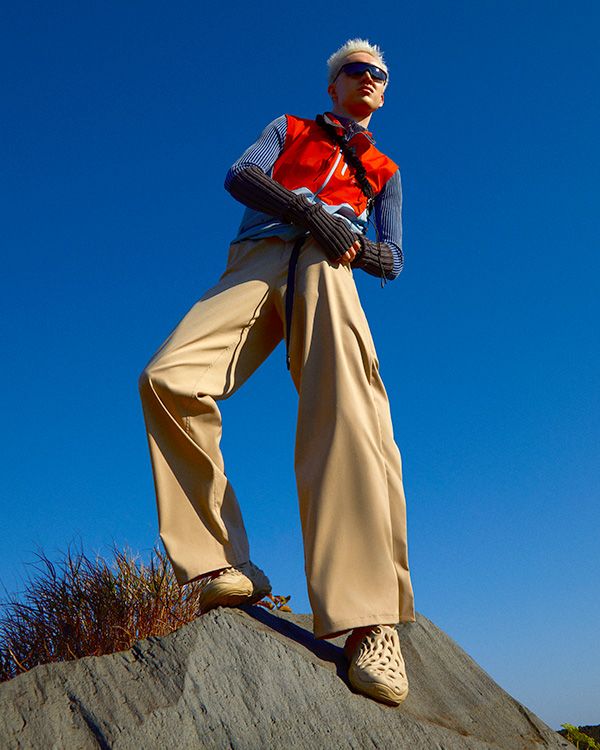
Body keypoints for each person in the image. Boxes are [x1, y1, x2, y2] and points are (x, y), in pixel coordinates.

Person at [138, 39, 416, 706]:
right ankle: (219, 562)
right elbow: (241, 174)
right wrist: (307, 209)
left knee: (348, 410)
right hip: (259, 253)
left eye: (379, 74)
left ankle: (370, 622)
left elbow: (394, 259)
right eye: (357, 70)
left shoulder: (385, 168)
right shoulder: (289, 128)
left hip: (331, 267)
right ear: (334, 84)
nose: (369, 79)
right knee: (167, 378)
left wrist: (348, 239)